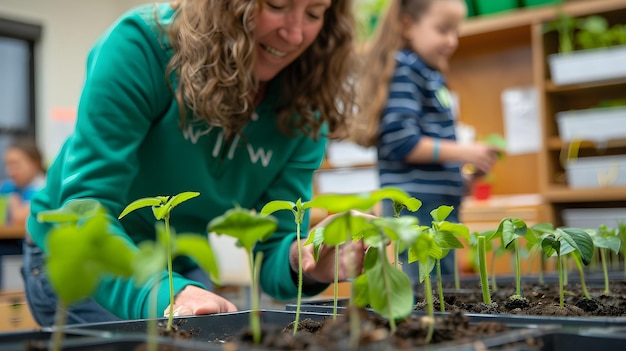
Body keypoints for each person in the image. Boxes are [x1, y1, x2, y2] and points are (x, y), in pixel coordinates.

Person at [22, 0, 363, 327]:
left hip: (174, 261)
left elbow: (273, 243)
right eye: (275, 6)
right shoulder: (142, 47)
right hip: (80, 253)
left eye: (315, 13)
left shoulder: (305, 104)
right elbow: (84, 210)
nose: (295, 34)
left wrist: (304, 259)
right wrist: (167, 293)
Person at [351, 0, 499, 288]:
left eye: (456, 31)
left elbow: (429, 155)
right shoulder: (405, 69)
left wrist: (462, 178)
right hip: (417, 209)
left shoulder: (428, 73)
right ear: (407, 25)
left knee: (442, 289)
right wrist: (466, 151)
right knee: (430, 292)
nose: (452, 41)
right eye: (443, 30)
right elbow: (402, 142)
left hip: (436, 204)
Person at [0, 137, 46, 288]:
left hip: (38, 249)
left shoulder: (42, 187)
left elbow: (20, 218)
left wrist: (12, 200)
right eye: (8, 165)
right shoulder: (14, 186)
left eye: (16, 164)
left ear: (34, 164)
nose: (11, 171)